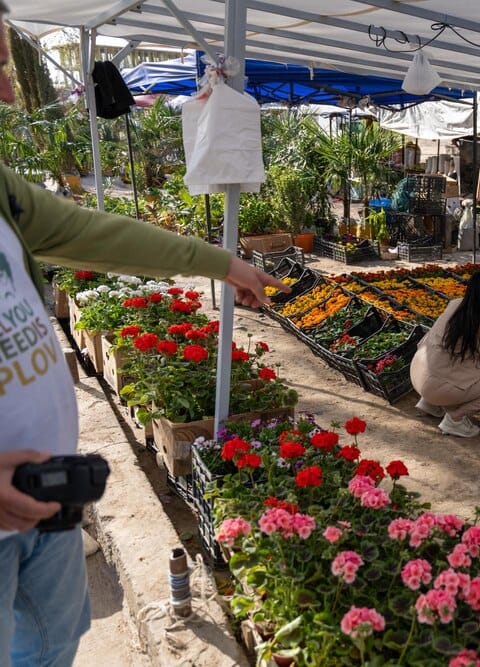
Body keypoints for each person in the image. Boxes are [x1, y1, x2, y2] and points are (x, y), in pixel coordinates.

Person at [0, 5, 290, 661]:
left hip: (48, 500)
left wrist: (226, 262)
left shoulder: (3, 193)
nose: (11, 90)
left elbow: (93, 234)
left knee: (51, 642)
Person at [410, 269, 480, 438]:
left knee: (461, 359)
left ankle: (431, 404)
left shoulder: (458, 303)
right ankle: (454, 419)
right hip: (435, 386)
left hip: (418, 372)